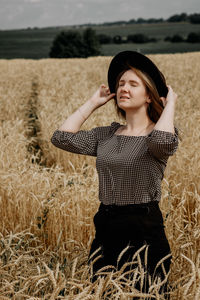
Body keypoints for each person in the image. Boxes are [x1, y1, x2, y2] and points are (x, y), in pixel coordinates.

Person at [50, 51, 179, 295]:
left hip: (143, 230)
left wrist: (169, 103)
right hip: (106, 225)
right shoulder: (107, 135)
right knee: (104, 292)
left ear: (149, 95)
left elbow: (163, 142)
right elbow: (61, 138)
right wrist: (93, 103)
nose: (123, 89)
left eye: (133, 84)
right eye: (120, 84)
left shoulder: (158, 136)